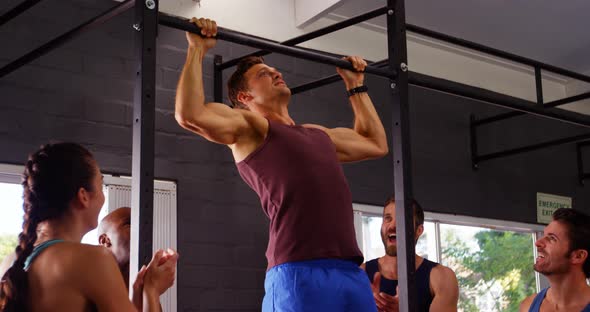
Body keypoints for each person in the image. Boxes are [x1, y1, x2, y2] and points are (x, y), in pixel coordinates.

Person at [175, 17, 388, 311]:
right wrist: (197, 48)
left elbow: (376, 143)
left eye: (275, 70)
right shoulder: (252, 127)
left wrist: (356, 86)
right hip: (298, 271)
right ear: (244, 96)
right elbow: (190, 114)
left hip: (350, 270)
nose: (276, 73)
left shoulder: (318, 134)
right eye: (264, 73)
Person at [0, 143, 177, 311]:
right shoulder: (94, 259)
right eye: (100, 184)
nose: (102, 196)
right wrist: (152, 291)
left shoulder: (10, 263)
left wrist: (138, 298)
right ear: (83, 196)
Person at [362, 196, 458, 312]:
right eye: (388, 218)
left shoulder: (442, 278)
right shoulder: (360, 275)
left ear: (418, 231)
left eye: (402, 220)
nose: (393, 226)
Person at [519, 208, 590, 312]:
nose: (538, 243)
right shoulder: (527, 306)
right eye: (544, 235)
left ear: (578, 256)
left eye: (552, 238)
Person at [98, 207, 132, 288]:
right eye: (129, 224)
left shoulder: (144, 282)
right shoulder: (91, 283)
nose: (139, 229)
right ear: (105, 241)